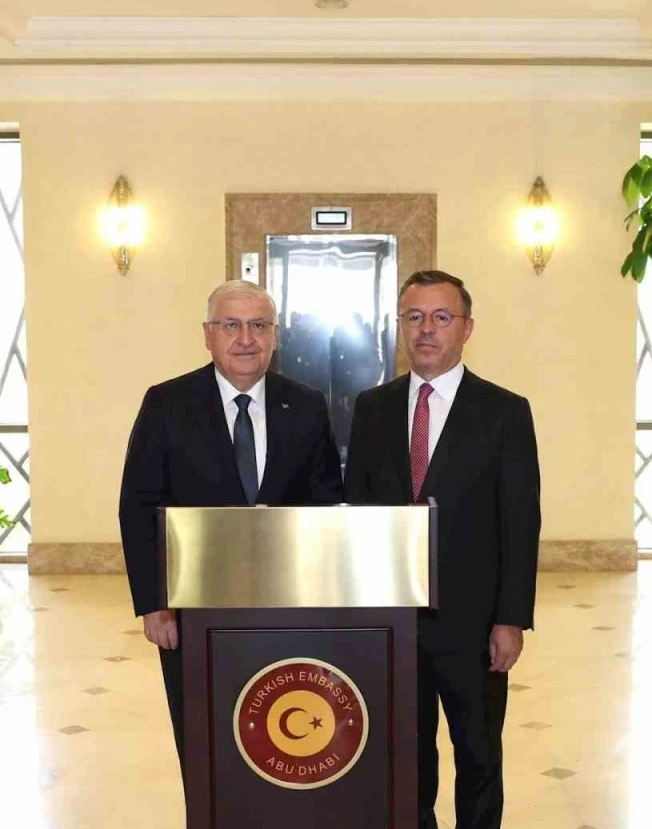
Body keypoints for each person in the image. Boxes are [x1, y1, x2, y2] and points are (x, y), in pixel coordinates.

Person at [118, 279, 344, 776]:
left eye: (258, 325)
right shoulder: (167, 404)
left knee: (280, 731)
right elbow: (139, 506)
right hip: (193, 605)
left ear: (275, 335)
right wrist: (155, 604)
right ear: (208, 334)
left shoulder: (306, 404)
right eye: (231, 325)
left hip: (289, 605)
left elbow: (326, 504)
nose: (246, 339)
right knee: (203, 736)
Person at [344, 269, 541, 829]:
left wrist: (510, 620)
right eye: (414, 317)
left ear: (467, 327)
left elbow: (520, 522)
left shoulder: (504, 411)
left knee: (478, 754)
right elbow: (356, 513)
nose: (426, 329)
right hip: (392, 619)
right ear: (400, 326)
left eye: (441, 317)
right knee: (405, 757)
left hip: (473, 624)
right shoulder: (372, 408)